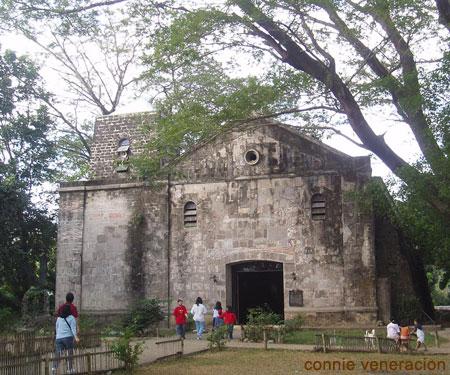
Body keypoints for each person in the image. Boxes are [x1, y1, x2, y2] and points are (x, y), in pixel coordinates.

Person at [53, 304, 79, 374]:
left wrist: (57, 336)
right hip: (68, 338)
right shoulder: (71, 318)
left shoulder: (58, 318)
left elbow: (56, 329)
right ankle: (69, 369)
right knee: (69, 353)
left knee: (58, 354)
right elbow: (73, 329)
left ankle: (54, 368)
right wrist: (76, 337)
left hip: (59, 338)